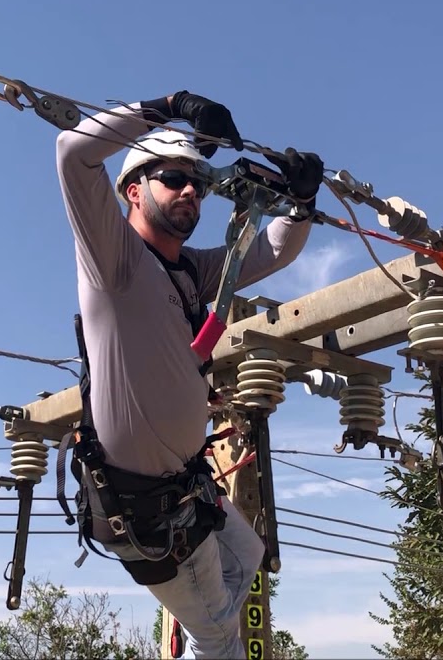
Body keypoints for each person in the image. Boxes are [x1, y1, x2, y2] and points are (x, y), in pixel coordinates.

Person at [54, 90, 323, 659]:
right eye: (174, 178)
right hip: (142, 503)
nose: (189, 193)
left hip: (185, 482)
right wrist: (172, 105)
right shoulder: (114, 259)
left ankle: (198, 625)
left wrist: (300, 202)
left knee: (248, 556)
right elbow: (71, 152)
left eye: (197, 184)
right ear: (134, 190)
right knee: (221, 635)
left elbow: (271, 254)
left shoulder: (190, 273)